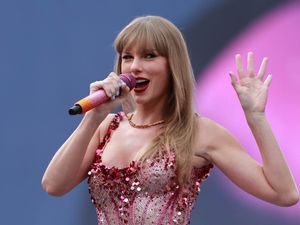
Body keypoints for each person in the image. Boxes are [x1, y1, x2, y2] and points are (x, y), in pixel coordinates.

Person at [41, 15, 299, 224]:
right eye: (127, 57)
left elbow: (284, 193)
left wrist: (256, 118)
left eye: (149, 56)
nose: (134, 67)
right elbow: (53, 184)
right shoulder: (106, 128)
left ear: (172, 66)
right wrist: (94, 116)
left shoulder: (199, 132)